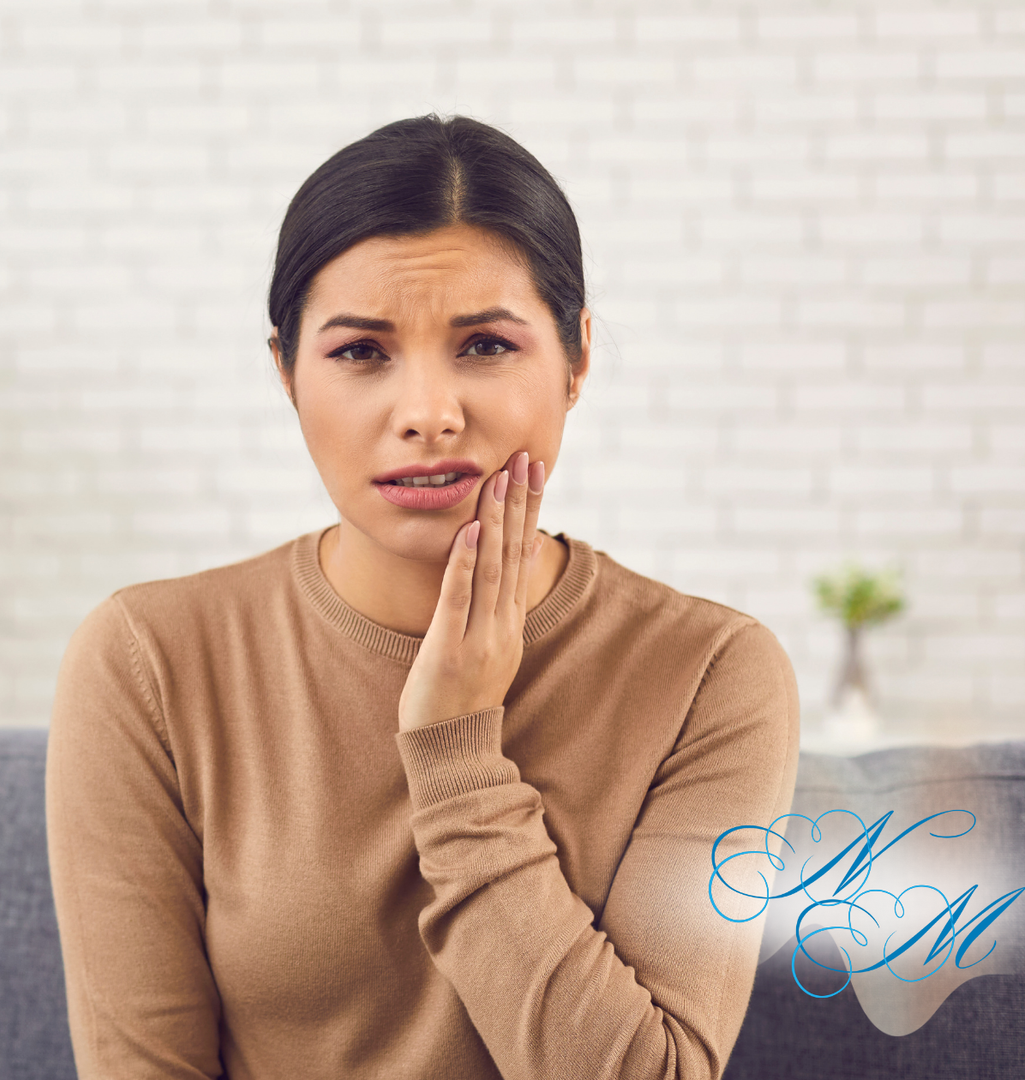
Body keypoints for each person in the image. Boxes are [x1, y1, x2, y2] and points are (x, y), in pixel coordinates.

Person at [45, 115, 800, 1080]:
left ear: (576, 360)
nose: (429, 415)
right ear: (285, 373)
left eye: (484, 345)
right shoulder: (149, 660)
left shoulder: (709, 673)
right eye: (362, 353)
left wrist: (457, 756)